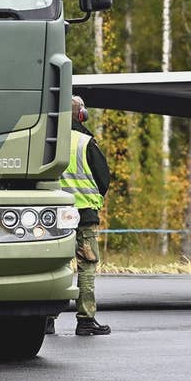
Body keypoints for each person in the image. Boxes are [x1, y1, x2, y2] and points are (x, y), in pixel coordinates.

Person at [59, 94, 111, 336]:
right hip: (84, 214)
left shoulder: (49, 139)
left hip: (54, 214)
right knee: (87, 265)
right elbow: (103, 178)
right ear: (81, 115)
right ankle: (86, 320)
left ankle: (47, 320)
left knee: (52, 265)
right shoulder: (86, 142)